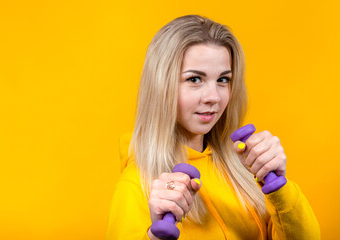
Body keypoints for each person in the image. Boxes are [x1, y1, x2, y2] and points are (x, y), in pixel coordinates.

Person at [106, 15, 320, 239]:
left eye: (223, 80)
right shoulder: (136, 186)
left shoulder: (243, 168)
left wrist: (279, 188)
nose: (213, 97)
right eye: (195, 79)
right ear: (161, 85)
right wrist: (155, 236)